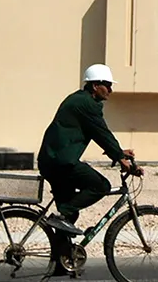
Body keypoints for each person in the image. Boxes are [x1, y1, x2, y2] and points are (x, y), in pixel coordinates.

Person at [37, 63, 135, 236]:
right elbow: (101, 133)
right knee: (101, 186)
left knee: (68, 218)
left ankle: (61, 251)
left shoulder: (79, 99)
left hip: (51, 161)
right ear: (95, 86)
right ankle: (63, 213)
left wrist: (119, 152)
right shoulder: (86, 104)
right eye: (107, 85)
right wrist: (120, 157)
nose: (110, 90)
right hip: (60, 163)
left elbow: (97, 133)